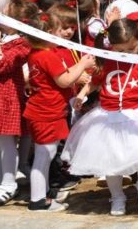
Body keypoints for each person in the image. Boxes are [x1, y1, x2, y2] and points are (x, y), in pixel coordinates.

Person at [63, 19, 138, 216]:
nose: (127, 54)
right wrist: (81, 95)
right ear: (111, 45)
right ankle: (117, 196)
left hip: (137, 116)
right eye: (121, 50)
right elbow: (94, 82)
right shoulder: (106, 60)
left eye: (131, 48)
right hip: (108, 117)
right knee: (111, 160)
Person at [23, 12, 95, 213]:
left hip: (42, 111)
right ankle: (38, 200)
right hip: (46, 113)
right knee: (44, 156)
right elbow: (64, 80)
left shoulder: (36, 54)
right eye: (57, 32)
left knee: (45, 154)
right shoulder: (47, 56)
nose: (61, 36)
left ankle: (44, 194)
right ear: (47, 34)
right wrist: (83, 64)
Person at [0, 1, 31, 206]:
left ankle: (9, 183)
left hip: (7, 98)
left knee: (6, 142)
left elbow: (3, 66)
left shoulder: (22, 43)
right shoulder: (5, 40)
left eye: (5, 14)